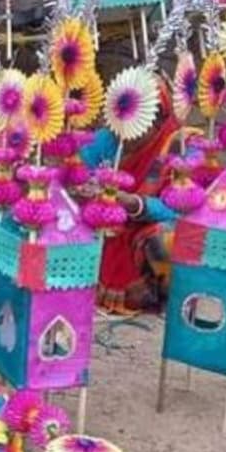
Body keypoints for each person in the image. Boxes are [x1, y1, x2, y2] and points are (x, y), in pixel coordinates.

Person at [76, 77, 192, 315]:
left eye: (138, 123)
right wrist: (81, 187)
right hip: (103, 228)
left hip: (145, 231)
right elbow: (77, 173)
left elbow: (182, 209)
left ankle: (156, 298)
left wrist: (135, 203)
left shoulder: (178, 147)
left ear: (157, 122)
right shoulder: (106, 139)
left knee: (167, 239)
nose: (126, 133)